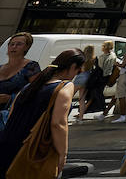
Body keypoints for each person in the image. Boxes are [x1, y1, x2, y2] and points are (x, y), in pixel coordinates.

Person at [0, 47, 83, 177]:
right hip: (33, 152)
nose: (77, 74)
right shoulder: (65, 86)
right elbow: (58, 123)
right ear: (73, 66)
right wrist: (63, 154)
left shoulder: (29, 87)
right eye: (79, 70)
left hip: (7, 145)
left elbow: (11, 114)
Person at [0, 32, 41, 127]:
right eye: (12, 44)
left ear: (27, 47)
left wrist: (10, 98)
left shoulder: (31, 66)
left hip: (12, 118)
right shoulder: (1, 67)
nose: (14, 47)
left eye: (19, 44)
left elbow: (38, 92)